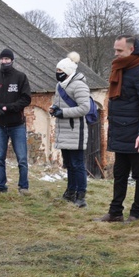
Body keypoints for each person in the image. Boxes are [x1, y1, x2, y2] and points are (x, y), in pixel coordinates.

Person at [95, 35, 139, 223]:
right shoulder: (120, 68)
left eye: (119, 50)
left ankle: (136, 214)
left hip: (136, 133)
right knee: (119, 174)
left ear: (132, 49)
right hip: (120, 131)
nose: (116, 54)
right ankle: (115, 213)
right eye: (115, 50)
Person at [0, 48, 32, 194]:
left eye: (7, 59)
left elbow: (26, 99)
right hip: (0, 125)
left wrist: (8, 108)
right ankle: (1, 187)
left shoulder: (20, 77)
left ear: (12, 60)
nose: (4, 61)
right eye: (2, 59)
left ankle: (23, 187)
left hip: (17, 125)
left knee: (22, 159)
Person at [49, 52, 91, 208]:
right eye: (57, 71)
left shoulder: (79, 85)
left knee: (78, 164)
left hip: (76, 130)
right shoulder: (59, 85)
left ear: (67, 71)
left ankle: (81, 196)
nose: (57, 73)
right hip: (63, 130)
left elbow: (84, 108)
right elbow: (58, 104)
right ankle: (70, 192)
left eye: (60, 71)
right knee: (69, 164)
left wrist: (63, 113)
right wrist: (54, 109)